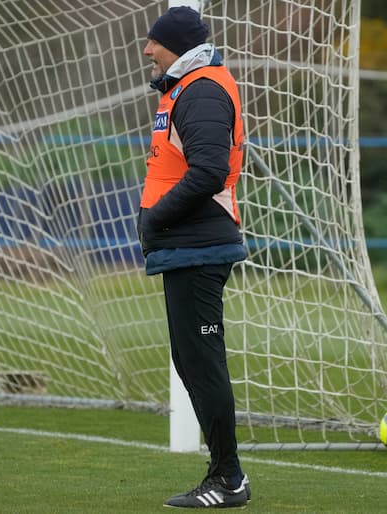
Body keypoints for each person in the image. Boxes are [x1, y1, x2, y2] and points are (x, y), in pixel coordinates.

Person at [136, 5, 251, 509]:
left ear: (176, 44)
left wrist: (156, 217)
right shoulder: (183, 87)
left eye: (153, 41)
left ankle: (229, 480)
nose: (146, 50)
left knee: (202, 365)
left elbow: (208, 171)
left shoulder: (202, 88)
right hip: (185, 248)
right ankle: (224, 474)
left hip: (198, 247)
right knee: (189, 362)